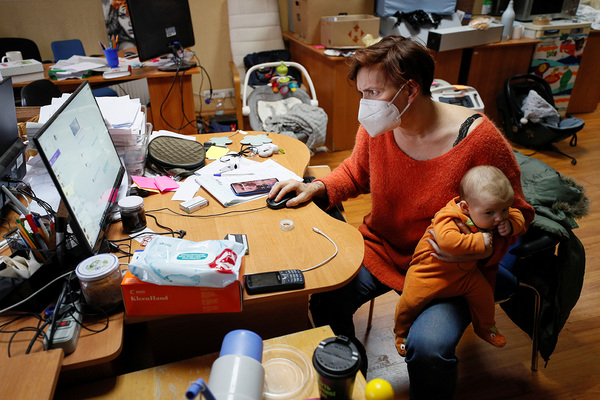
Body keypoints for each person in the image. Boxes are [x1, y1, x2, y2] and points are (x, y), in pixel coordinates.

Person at [268, 35, 534, 399]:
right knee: (326, 300)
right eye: (361, 93)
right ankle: (355, 377)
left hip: (448, 269)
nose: (364, 105)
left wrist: (484, 245)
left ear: (410, 89)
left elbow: (518, 212)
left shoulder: (478, 141)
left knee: (428, 350)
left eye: (373, 92)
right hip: (383, 247)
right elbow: (356, 172)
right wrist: (318, 187)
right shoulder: (380, 127)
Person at [394, 165, 527, 358]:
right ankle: (401, 333)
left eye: (504, 209)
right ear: (466, 208)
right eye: (490, 213)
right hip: (430, 274)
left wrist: (512, 224)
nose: (499, 218)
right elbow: (447, 242)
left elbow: (518, 214)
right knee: (410, 303)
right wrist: (479, 241)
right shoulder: (448, 216)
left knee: (484, 295)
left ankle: (486, 327)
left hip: (465, 275)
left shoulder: (491, 209)